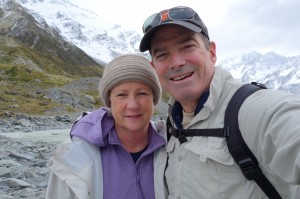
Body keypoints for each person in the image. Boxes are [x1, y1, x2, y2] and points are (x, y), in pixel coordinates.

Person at [139, 6, 300, 199]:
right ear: (153, 67)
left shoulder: (253, 110)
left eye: (187, 46)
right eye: (162, 55)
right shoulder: (170, 126)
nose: (176, 62)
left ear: (212, 53)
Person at [45, 54, 168, 199]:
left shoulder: (173, 148)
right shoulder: (75, 155)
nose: (133, 105)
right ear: (109, 101)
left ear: (154, 99)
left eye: (142, 93)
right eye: (122, 95)